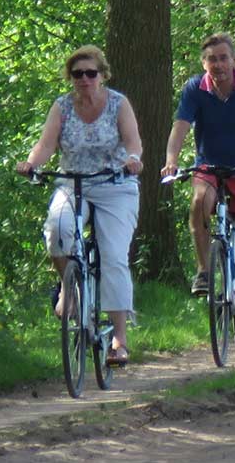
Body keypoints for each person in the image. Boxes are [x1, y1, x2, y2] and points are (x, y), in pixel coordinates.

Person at [16, 46, 144, 365]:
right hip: (73, 183)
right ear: (70, 78)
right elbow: (46, 144)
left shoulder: (118, 103)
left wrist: (133, 159)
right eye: (78, 74)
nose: (84, 79)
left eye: (91, 73)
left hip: (115, 185)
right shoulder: (62, 107)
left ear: (102, 75)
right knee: (57, 231)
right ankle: (68, 287)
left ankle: (118, 339)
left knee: (114, 257)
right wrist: (32, 163)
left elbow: (133, 140)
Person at [162, 33, 235, 331]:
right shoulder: (194, 89)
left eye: (223, 58)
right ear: (204, 64)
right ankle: (204, 271)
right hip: (210, 167)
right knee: (200, 202)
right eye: (212, 59)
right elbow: (180, 127)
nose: (218, 64)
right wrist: (171, 160)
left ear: (234, 60)